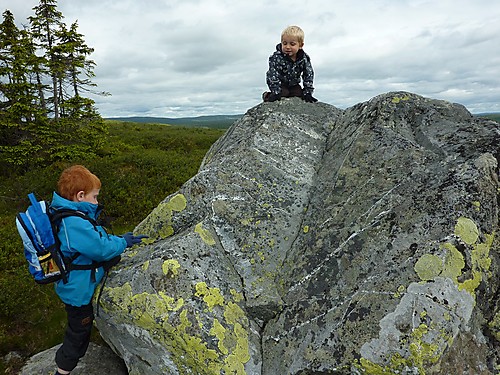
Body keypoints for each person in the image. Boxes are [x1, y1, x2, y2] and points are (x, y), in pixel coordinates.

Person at [51, 165, 146, 375]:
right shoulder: (73, 222)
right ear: (80, 195)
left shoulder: (67, 213)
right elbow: (100, 249)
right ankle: (62, 370)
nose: (97, 202)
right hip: (78, 292)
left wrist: (118, 241)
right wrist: (123, 242)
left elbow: (97, 240)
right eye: (95, 197)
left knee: (78, 329)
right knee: (79, 333)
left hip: (75, 283)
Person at [263, 25, 318, 103]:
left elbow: (308, 74)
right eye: (285, 43)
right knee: (283, 94)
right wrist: (275, 90)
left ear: (300, 45)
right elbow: (272, 74)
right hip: (280, 84)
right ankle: (267, 95)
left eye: (292, 44)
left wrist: (308, 92)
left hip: (293, 84)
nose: (287, 47)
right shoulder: (276, 57)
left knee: (299, 94)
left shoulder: (304, 58)